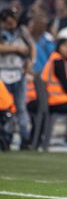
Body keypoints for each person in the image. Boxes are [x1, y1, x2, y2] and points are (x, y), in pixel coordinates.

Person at [0, 8, 35, 149]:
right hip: (2, 73)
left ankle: (25, 138)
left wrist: (30, 61)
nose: (12, 24)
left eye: (14, 21)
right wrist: (15, 48)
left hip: (19, 73)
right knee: (6, 108)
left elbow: (31, 46)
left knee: (21, 107)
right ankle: (5, 138)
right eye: (9, 22)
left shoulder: (21, 31)